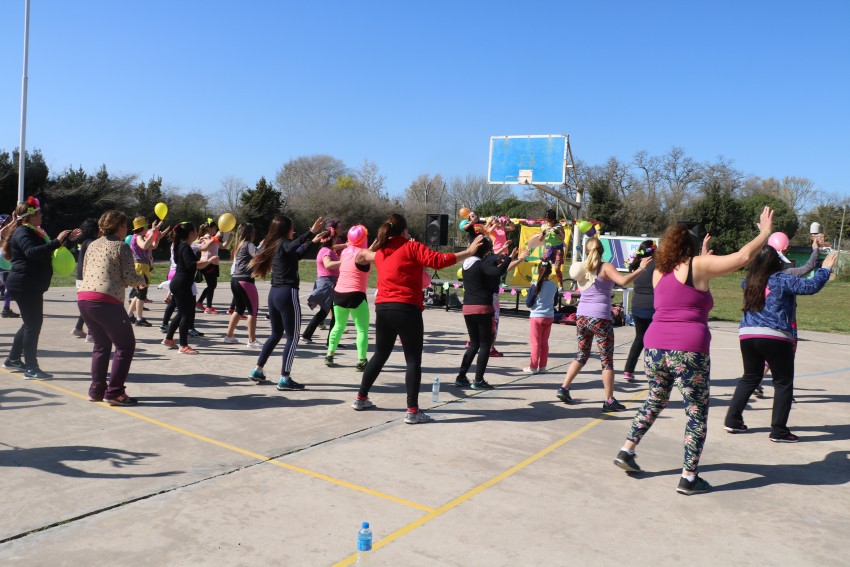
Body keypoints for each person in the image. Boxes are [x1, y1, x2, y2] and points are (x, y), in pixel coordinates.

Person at [613, 207, 774, 496]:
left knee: (655, 400)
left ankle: (627, 449)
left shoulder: (658, 272)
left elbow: (685, 284)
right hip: (688, 350)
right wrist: (764, 232)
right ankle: (688, 477)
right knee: (697, 413)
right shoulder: (697, 267)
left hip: (654, 348)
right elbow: (742, 258)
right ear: (691, 246)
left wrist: (702, 254)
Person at [350, 213, 484, 424]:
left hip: (383, 308)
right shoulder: (412, 247)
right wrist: (468, 252)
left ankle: (360, 398)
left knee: (380, 355)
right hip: (406, 308)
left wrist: (375, 247)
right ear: (404, 230)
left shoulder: (381, 252)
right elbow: (439, 261)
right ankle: (412, 411)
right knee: (412, 360)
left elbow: (359, 258)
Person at [724, 247, 837, 442]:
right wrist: (825, 269)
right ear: (775, 262)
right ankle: (779, 430)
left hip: (747, 335)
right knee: (783, 382)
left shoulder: (747, 281)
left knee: (750, 377)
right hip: (774, 335)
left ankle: (732, 420)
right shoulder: (781, 280)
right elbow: (810, 287)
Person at [556, 236, 650, 411]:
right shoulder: (605, 267)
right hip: (600, 318)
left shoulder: (582, 268)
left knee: (581, 355)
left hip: (582, 316)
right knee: (606, 361)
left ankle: (564, 387)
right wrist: (641, 268)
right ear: (601, 250)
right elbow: (622, 282)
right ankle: (608, 400)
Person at [2, 196, 79, 378]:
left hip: (30, 283)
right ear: (30, 216)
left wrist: (68, 242)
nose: (42, 215)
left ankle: (13, 359)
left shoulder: (36, 232)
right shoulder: (23, 233)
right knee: (33, 324)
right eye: (39, 212)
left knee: (30, 323)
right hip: (24, 283)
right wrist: (57, 241)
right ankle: (31, 368)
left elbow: (49, 253)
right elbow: (32, 253)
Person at [77, 211, 148, 406]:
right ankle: (115, 392)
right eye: (125, 226)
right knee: (125, 346)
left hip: (84, 298)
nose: (127, 229)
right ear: (119, 228)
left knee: (101, 345)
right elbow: (131, 277)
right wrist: (143, 280)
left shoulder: (92, 244)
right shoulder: (121, 246)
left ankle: (96, 390)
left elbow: (85, 271)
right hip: (106, 300)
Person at [248, 215, 325, 390]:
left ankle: (258, 370)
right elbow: (293, 246)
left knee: (276, 335)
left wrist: (312, 241)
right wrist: (311, 231)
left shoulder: (275, 246)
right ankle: (284, 378)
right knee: (292, 337)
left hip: (274, 294)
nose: (294, 230)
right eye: (292, 227)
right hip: (287, 294)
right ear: (285, 230)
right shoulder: (283, 243)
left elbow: (295, 254)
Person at [754, 232, 823, 398]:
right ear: (784, 250)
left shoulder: (759, 275)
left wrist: (762, 234)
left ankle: (757, 381)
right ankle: (785, 389)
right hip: (786, 321)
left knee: (769, 354)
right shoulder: (787, 274)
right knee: (787, 355)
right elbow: (808, 268)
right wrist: (816, 250)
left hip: (764, 320)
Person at [455, 239, 528, 389]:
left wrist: (499, 257)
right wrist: (509, 257)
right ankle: (479, 380)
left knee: (473, 344)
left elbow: (490, 262)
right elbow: (498, 271)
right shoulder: (482, 264)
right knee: (484, 345)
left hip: (467, 307)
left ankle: (461, 377)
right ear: (486, 251)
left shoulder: (466, 264)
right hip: (482, 307)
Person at [162, 222, 216, 354]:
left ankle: (169, 339)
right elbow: (191, 265)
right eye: (196, 231)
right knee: (187, 314)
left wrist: (207, 262)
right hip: (182, 284)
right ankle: (183, 345)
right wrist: (209, 261)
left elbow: (192, 265)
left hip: (181, 283)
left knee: (182, 313)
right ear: (191, 233)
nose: (197, 234)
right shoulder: (184, 246)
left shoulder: (181, 245)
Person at [325, 225, 371, 370]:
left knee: (338, 326)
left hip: (339, 294)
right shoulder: (363, 254)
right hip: (356, 294)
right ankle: (362, 360)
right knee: (362, 330)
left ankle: (329, 355)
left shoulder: (345, 252)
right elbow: (376, 255)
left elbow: (351, 247)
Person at [622, 240, 657, 382]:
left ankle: (628, 370)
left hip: (637, 306)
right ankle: (653, 372)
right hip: (652, 306)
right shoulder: (657, 265)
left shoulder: (637, 265)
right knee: (653, 341)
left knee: (639, 338)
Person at [303, 219, 341, 344]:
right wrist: (344, 261)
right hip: (328, 285)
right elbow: (328, 264)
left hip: (328, 284)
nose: (341, 230)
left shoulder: (327, 249)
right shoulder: (327, 251)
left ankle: (307, 335)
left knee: (324, 312)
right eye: (339, 229)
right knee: (336, 314)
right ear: (333, 237)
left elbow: (335, 247)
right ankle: (331, 342)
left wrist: (349, 246)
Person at [224, 223, 262, 348]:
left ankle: (229, 336)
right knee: (253, 311)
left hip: (235, 280)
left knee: (239, 309)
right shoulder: (248, 245)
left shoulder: (238, 245)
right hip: (245, 281)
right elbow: (259, 255)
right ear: (250, 233)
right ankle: (252, 340)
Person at [484, 216, 516, 357]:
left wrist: (508, 222)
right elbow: (487, 230)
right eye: (495, 220)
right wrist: (493, 223)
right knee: (497, 268)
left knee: (505, 267)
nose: (498, 222)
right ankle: (487, 346)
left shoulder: (502, 228)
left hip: (504, 251)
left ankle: (502, 281)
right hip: (496, 251)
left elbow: (513, 228)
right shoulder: (490, 229)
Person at [523, 260, 558, 374]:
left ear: (538, 271)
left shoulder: (534, 285)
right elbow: (555, 302)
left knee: (535, 343)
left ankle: (533, 367)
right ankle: (542, 366)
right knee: (544, 342)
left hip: (536, 316)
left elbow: (528, 303)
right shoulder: (554, 286)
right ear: (550, 272)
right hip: (549, 316)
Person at [127, 216, 162, 327]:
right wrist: (152, 233)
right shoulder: (138, 237)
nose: (147, 228)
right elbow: (144, 246)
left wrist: (157, 238)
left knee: (138, 294)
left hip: (143, 267)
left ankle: (129, 315)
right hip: (140, 267)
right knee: (142, 294)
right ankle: (139, 318)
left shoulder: (140, 236)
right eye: (146, 226)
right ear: (143, 227)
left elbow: (152, 246)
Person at [69, 218, 100, 341]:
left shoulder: (84, 242)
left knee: (86, 306)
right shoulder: (92, 242)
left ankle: (78, 328)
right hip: (88, 278)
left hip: (81, 278)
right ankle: (92, 334)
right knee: (91, 306)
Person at [196, 220, 227, 314]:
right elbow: (208, 246)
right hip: (207, 264)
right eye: (214, 228)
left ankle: (199, 302)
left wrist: (229, 239)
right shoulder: (207, 237)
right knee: (212, 285)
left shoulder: (214, 238)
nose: (216, 229)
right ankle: (208, 307)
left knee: (212, 285)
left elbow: (223, 247)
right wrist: (216, 236)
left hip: (213, 264)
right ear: (209, 229)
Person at [0, 214, 20, 319]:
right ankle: (6, 309)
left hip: (4, 263)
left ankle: (6, 309)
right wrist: (14, 220)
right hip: (4, 263)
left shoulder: (5, 235)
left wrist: (13, 220)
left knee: (7, 286)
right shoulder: (3, 234)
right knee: (9, 287)